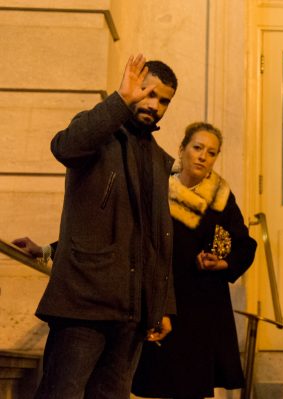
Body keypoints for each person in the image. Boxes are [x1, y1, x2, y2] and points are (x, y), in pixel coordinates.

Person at [12, 54, 179, 399]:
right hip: (83, 304)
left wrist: (162, 305)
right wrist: (119, 100)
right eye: (149, 93)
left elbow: (154, 240)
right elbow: (64, 146)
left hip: (131, 313)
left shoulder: (159, 159)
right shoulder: (98, 132)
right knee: (62, 393)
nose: (155, 104)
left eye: (164, 100)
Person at [131, 122, 257, 399]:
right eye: (197, 148)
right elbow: (129, 234)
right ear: (183, 149)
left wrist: (221, 263)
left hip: (203, 305)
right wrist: (49, 250)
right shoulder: (158, 188)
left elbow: (245, 245)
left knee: (193, 386)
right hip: (163, 297)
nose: (203, 156)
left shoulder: (221, 196)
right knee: (156, 384)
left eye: (211, 152)